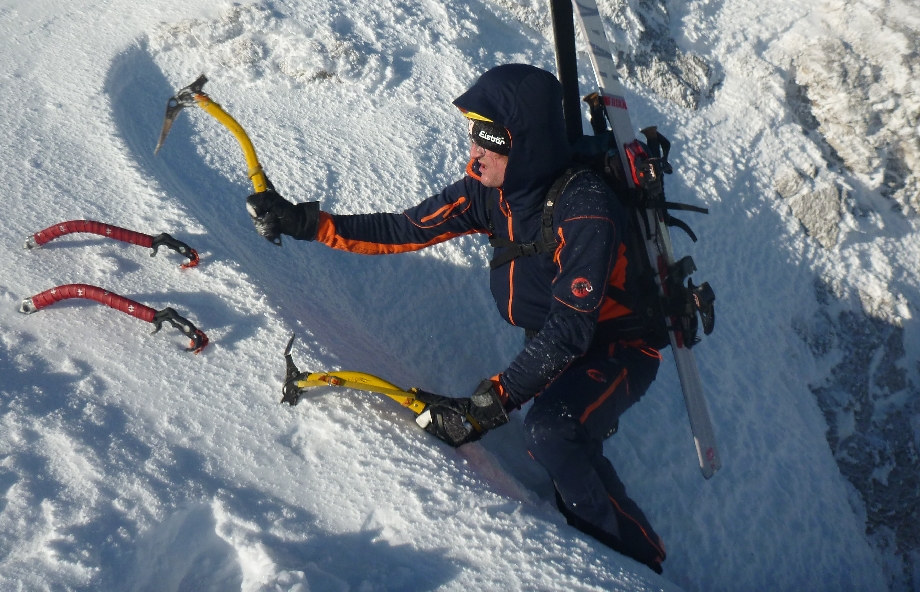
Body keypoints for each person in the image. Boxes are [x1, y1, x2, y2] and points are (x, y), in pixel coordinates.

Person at [246, 64, 667, 573]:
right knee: (564, 449)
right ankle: (592, 528)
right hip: (552, 341)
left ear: (527, 145)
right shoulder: (490, 193)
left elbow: (570, 331)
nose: (474, 154)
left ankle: (634, 566)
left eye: (489, 141)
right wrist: (308, 223)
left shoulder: (585, 208)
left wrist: (485, 407)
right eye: (473, 136)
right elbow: (406, 229)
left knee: (553, 432)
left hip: (617, 347)